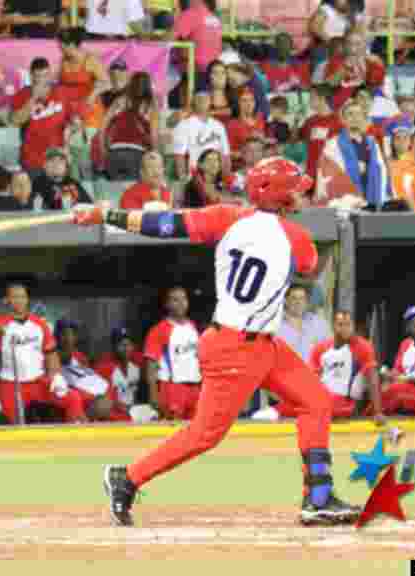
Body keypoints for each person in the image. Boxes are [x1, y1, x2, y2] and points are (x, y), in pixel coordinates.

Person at [73, 157, 361, 527]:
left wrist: (104, 215)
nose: (302, 197)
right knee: (204, 435)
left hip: (259, 344)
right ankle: (127, 479)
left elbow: (162, 224)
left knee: (315, 401)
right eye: (296, 191)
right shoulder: (296, 238)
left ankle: (318, 498)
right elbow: (307, 264)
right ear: (280, 196)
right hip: (236, 348)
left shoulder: (228, 216)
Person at [0, 282, 87, 424]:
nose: (19, 300)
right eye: (15, 297)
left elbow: (51, 353)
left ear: (27, 299)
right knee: (10, 424)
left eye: (22, 297)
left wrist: (56, 376)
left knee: (73, 398)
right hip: (10, 384)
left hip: (38, 381)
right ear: (7, 300)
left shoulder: (40, 324)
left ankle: (72, 438)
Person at [255, 309, 384, 422]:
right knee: (307, 397)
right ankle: (278, 409)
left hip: (345, 403)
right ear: (333, 326)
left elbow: (373, 378)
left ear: (353, 326)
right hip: (323, 396)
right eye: (340, 325)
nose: (345, 328)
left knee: (319, 403)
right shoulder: (321, 348)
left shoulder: (363, 347)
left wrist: (377, 412)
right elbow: (312, 379)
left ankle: (278, 411)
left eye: (348, 325)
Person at [142, 287, 202, 420]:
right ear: (167, 304)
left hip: (195, 387)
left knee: (196, 429)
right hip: (172, 388)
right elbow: (151, 365)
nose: (181, 303)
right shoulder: (158, 330)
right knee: (173, 431)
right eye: (175, 300)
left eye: (184, 299)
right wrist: (153, 394)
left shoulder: (192, 326)